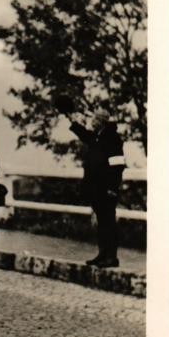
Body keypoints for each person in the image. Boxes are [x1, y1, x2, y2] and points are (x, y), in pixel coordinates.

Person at [66, 107, 125, 268]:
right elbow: (84, 135)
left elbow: (118, 165)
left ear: (101, 122)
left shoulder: (112, 139)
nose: (92, 122)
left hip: (107, 188)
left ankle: (111, 257)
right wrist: (71, 119)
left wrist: (113, 187)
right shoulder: (99, 137)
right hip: (97, 188)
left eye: (94, 119)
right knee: (102, 222)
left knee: (108, 223)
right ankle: (103, 254)